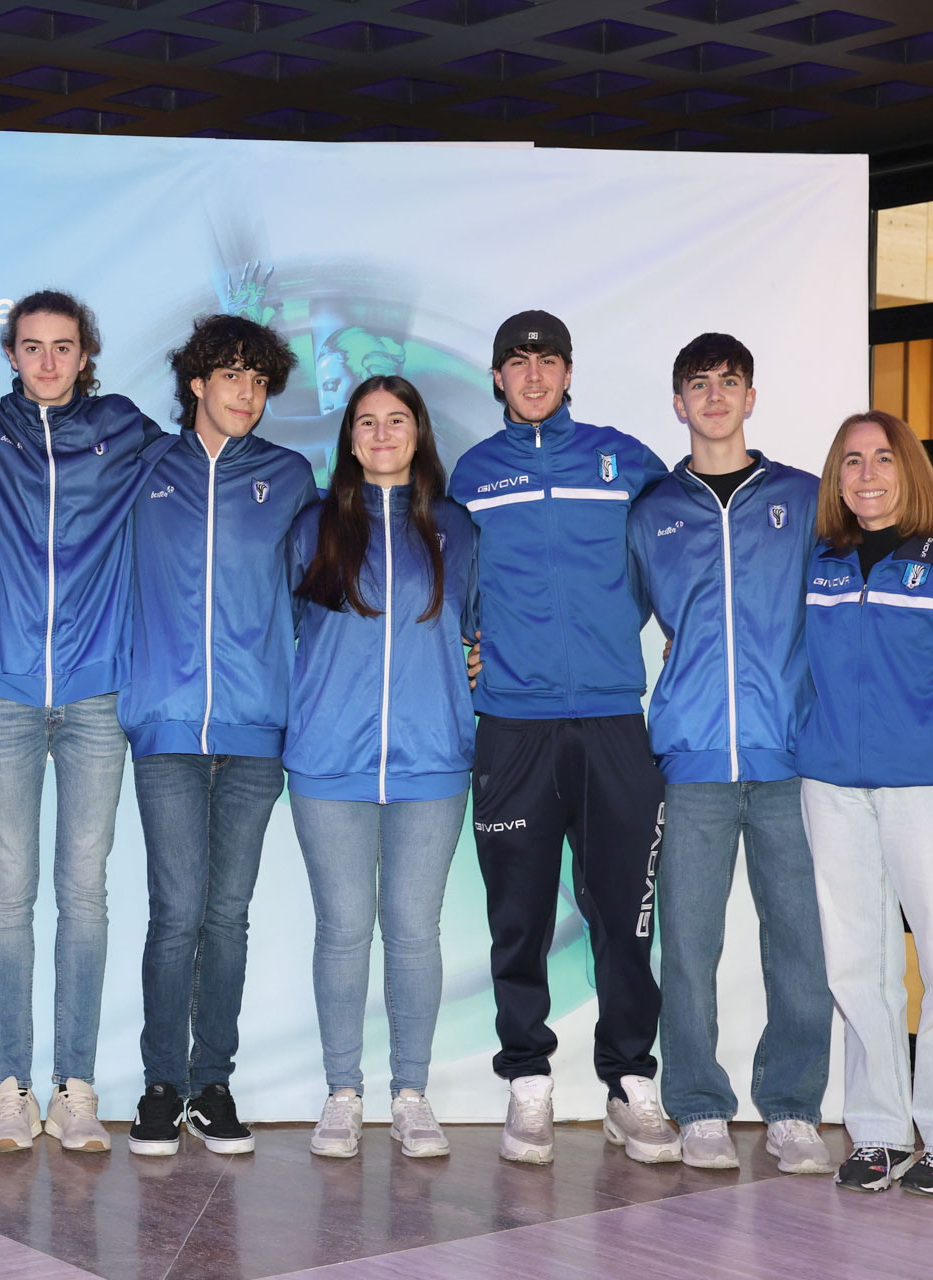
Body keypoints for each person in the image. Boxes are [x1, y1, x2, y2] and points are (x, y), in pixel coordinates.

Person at [446, 309, 678, 1165]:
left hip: (613, 717)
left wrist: (637, 625)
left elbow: (670, 555)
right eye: (518, 361)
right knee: (518, 915)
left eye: (548, 361)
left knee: (624, 913)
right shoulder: (474, 473)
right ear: (498, 377)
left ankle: (630, 1082)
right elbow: (456, 578)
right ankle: (528, 1081)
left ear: (570, 373)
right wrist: (475, 641)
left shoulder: (624, 461)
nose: (534, 374)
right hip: (513, 724)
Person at [0, 291, 170, 1153]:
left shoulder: (125, 430)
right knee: (8, 892)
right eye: (33, 346)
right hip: (4, 690)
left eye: (64, 346)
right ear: (11, 353)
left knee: (84, 892)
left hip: (96, 694)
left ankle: (76, 1088)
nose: (48, 362)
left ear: (87, 355)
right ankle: (9, 1089)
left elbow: (210, 471)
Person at [627, 334, 833, 1175]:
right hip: (692, 760)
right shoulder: (651, 512)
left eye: (729, 382)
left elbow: (843, 611)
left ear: (751, 397)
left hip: (790, 761)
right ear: (678, 403)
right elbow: (612, 623)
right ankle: (699, 1106)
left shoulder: (806, 499)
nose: (714, 396)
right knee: (687, 945)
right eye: (698, 384)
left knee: (800, 945)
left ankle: (792, 1108)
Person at [119, 314, 318, 1157]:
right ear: (197, 382)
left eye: (259, 381)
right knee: (175, 913)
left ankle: (213, 1085)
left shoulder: (290, 476)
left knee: (226, 916)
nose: (247, 393)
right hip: (166, 725)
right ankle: (161, 1084)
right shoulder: (143, 467)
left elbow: (319, 590)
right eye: (231, 375)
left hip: (255, 729)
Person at [798, 409, 933, 1199]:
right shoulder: (822, 565)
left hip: (929, 796)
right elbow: (801, 673)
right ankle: (881, 1133)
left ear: (909, 469)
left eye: (882, 458)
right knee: (858, 966)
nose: (867, 475)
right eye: (851, 461)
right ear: (837, 478)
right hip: (833, 793)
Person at [286, 376, 475, 1161]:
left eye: (396, 420)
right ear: (350, 439)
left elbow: (480, 627)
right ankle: (342, 1093)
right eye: (366, 422)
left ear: (418, 433)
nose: (382, 434)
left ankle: (410, 1095)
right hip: (328, 763)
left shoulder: (456, 529)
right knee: (341, 931)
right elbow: (282, 632)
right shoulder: (314, 527)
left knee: (413, 932)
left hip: (432, 764)